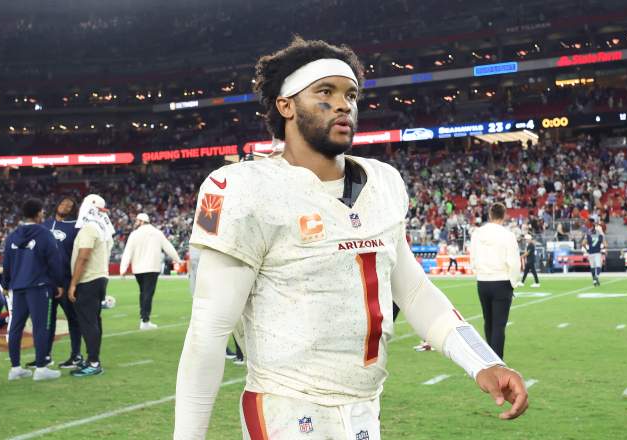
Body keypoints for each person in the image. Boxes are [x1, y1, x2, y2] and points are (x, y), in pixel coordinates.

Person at [174, 38, 528, 440]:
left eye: (351, 94)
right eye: (325, 92)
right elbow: (209, 330)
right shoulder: (244, 188)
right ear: (285, 105)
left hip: (364, 408)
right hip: (286, 409)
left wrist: (483, 362)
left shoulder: (383, 183)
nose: (344, 105)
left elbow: (413, 293)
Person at [2, 198, 65, 381]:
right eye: (42, 212)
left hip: (18, 286)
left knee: (16, 327)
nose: (43, 215)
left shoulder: (12, 235)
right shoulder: (44, 234)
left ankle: (15, 368)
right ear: (38, 214)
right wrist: (58, 283)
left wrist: (6, 285)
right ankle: (41, 368)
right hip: (38, 286)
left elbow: (7, 263)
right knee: (40, 327)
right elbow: (54, 260)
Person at [68, 194, 114, 377]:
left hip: (88, 280)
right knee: (94, 321)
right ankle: (92, 360)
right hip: (99, 278)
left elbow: (84, 256)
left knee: (88, 323)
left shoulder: (89, 227)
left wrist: (73, 284)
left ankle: (94, 362)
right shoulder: (101, 227)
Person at [470, 203, 521, 359]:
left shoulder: (477, 233)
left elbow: (473, 257)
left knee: (488, 321)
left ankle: (489, 358)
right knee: (499, 325)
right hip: (501, 280)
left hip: (483, 281)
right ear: (504, 215)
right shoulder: (507, 235)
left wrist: (478, 272)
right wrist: (514, 283)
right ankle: (496, 360)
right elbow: (513, 261)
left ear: (490, 214)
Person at [119, 212, 181, 330]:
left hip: (138, 269)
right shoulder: (157, 233)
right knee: (147, 293)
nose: (136, 223)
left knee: (143, 293)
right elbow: (168, 247)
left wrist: (123, 268)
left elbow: (128, 252)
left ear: (141, 221)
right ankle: (145, 320)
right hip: (152, 267)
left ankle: (144, 318)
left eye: (137, 221)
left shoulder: (134, 234)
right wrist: (177, 259)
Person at [42, 196, 84, 369]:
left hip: (67, 279)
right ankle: (45, 355)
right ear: (56, 204)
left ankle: (76, 355)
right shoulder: (45, 225)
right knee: (47, 321)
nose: (65, 206)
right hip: (47, 281)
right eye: (63, 203)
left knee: (73, 319)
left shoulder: (76, 226)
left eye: (70, 205)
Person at [187, 245, 241, 363]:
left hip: (206, 286)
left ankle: (226, 351)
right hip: (210, 287)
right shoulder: (202, 248)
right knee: (221, 319)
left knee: (214, 320)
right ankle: (234, 352)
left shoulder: (199, 245)